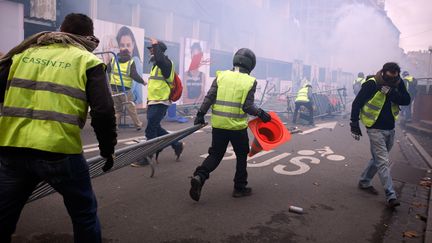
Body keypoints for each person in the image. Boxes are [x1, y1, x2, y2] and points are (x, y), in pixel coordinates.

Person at [0, 13, 117, 243]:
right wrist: (107, 149)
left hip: (12, 150)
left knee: (3, 216)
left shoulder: (22, 54)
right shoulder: (88, 61)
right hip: (59, 153)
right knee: (84, 215)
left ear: (60, 30)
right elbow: (103, 110)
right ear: (88, 37)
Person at [189, 48, 272, 202]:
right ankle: (239, 188)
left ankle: (200, 176)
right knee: (241, 156)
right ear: (251, 65)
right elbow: (247, 107)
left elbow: (209, 97)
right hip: (237, 128)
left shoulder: (221, 76)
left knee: (215, 155)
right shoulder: (249, 81)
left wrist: (200, 114)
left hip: (219, 125)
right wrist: (261, 113)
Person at [350, 62, 410, 209]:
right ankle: (391, 196)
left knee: (377, 158)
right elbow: (356, 103)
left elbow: (407, 100)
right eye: (389, 77)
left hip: (390, 128)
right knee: (383, 161)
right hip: (374, 128)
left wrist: (392, 93)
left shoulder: (398, 82)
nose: (391, 81)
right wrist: (354, 123)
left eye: (394, 78)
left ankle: (364, 181)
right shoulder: (372, 83)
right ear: (383, 73)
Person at [131, 38, 184, 167]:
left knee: (150, 131)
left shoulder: (165, 63)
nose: (150, 52)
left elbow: (160, 59)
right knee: (156, 128)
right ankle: (177, 144)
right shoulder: (156, 65)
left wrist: (155, 43)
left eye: (153, 50)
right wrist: (149, 101)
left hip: (161, 102)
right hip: (154, 102)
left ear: (159, 51)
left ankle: (147, 158)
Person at [107, 49, 146, 130]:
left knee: (117, 109)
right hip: (125, 90)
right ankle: (138, 124)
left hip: (114, 89)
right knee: (131, 108)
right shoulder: (130, 62)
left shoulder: (113, 59)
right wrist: (143, 82)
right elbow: (134, 75)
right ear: (128, 54)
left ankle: (114, 126)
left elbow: (107, 70)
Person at [116, 26, 144, 106]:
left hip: (132, 106)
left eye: (128, 45)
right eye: (122, 45)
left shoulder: (135, 61)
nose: (125, 49)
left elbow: (132, 90)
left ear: (133, 45)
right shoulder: (117, 63)